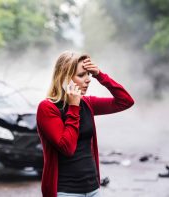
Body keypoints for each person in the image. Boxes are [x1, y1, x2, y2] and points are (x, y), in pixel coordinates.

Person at [36, 51, 134, 197]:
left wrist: (100, 75)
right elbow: (67, 147)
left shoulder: (87, 103)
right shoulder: (47, 108)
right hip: (65, 191)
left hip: (93, 189)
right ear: (64, 78)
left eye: (88, 74)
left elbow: (125, 101)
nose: (88, 79)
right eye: (81, 75)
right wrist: (74, 107)